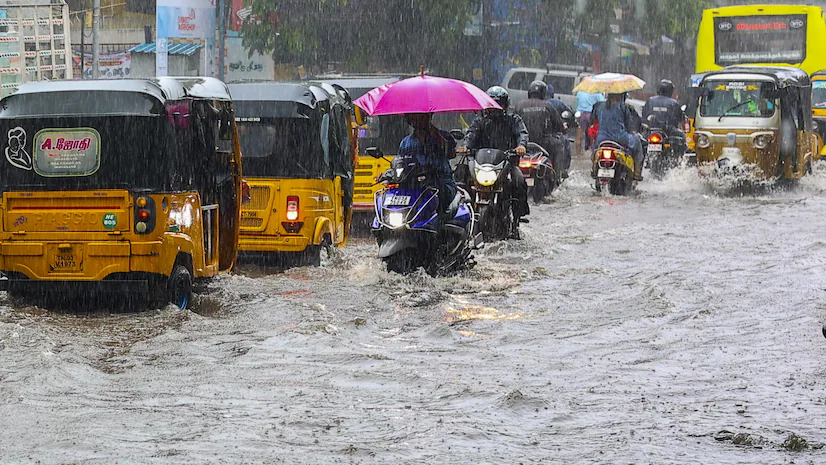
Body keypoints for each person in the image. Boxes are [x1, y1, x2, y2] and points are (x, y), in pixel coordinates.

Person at [458, 86, 530, 231]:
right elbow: (471, 135)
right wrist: (465, 146)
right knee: (460, 175)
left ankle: (517, 216)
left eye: (499, 103)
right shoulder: (480, 121)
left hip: (506, 163)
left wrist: (521, 146)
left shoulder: (513, 120)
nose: (495, 107)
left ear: (505, 105)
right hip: (481, 164)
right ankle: (459, 213)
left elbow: (522, 134)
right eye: (492, 103)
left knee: (519, 181)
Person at [396, 112, 457, 215]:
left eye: (421, 116)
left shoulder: (443, 136)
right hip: (415, 187)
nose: (417, 120)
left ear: (429, 116)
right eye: (413, 117)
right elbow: (400, 162)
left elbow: (451, 153)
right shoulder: (405, 143)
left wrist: (435, 135)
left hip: (441, 184)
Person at [512, 80, 566, 183]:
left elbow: (513, 126)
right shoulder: (548, 105)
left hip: (523, 145)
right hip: (544, 143)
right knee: (559, 146)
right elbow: (559, 125)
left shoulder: (519, 105)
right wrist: (562, 129)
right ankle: (557, 177)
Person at [591, 92, 644, 179]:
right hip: (621, 138)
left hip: (601, 139)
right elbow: (629, 125)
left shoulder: (598, 106)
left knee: (595, 150)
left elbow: (593, 121)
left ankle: (594, 168)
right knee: (637, 141)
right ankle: (637, 173)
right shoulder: (623, 107)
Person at [642, 79, 686, 154]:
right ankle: (680, 160)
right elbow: (680, 118)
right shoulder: (673, 103)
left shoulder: (650, 100)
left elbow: (644, 115)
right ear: (670, 91)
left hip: (650, 131)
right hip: (668, 132)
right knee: (682, 137)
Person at [545, 83, 576, 177]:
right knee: (565, 144)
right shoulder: (556, 103)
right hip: (553, 135)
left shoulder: (529, 104)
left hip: (536, 137)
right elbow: (570, 114)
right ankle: (562, 171)